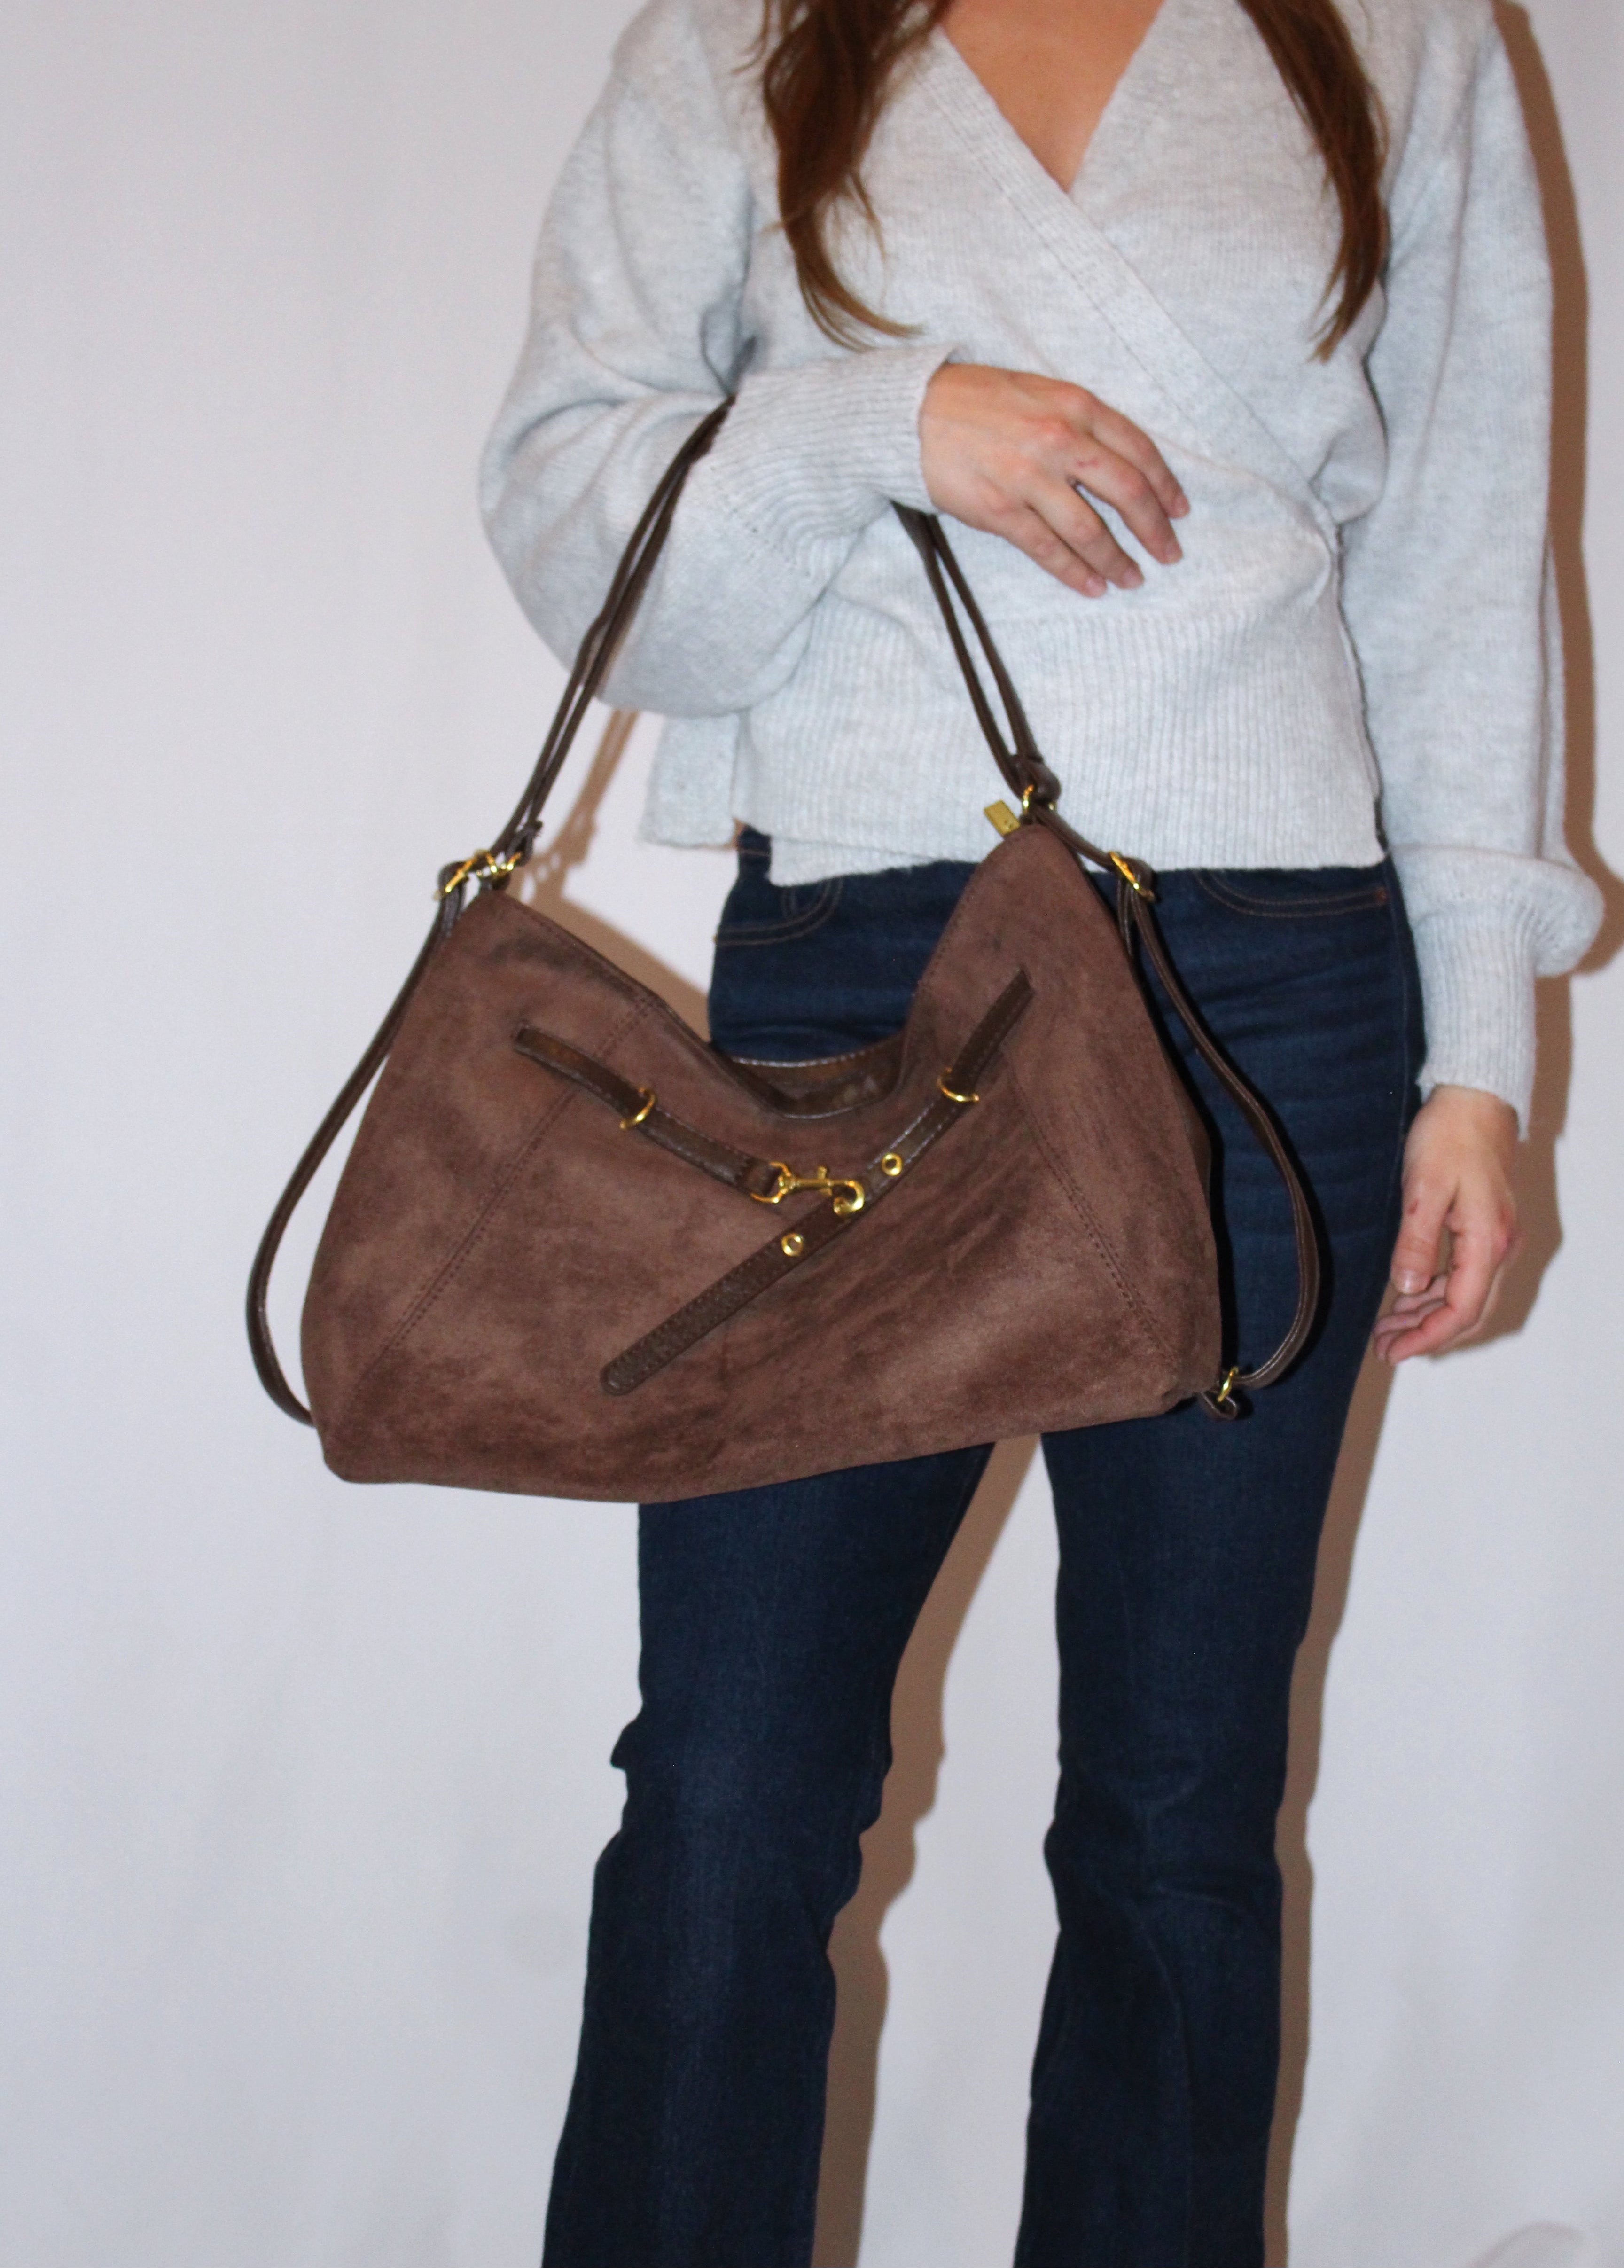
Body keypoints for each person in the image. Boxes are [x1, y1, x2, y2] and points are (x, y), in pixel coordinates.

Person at [480, 1, 1601, 2259]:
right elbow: (581, 535)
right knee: (729, 1789)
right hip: (861, 987)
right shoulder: (744, 36)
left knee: (1181, 1809)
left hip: (1272, 1000)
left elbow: (1461, 560)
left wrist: (1478, 1053)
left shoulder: (1396, 32)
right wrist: (873, 422)